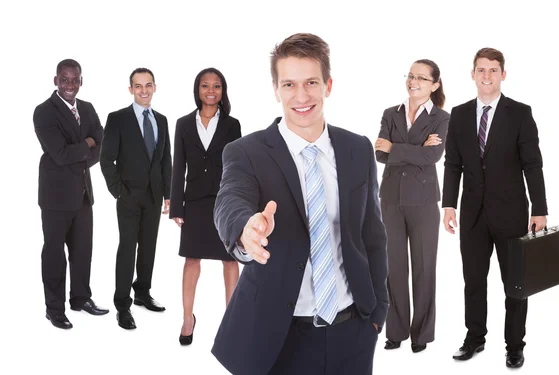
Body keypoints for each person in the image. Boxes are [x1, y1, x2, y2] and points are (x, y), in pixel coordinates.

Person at [211, 33, 388, 375]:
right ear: (276, 90)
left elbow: (373, 236)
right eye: (289, 84)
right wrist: (246, 230)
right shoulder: (246, 152)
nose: (302, 95)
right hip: (278, 336)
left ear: (328, 85)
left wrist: (377, 314)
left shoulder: (358, 148)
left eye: (311, 82)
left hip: (353, 330)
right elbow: (230, 200)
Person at [442, 48, 548, 369]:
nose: (486, 75)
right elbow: (453, 164)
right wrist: (448, 204)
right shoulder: (459, 115)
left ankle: (514, 345)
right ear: (472, 75)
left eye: (492, 70)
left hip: (512, 214)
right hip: (472, 214)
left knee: (515, 283)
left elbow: (532, 164)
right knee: (473, 281)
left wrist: (539, 209)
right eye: (481, 70)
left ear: (503, 74)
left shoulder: (520, 113)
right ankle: (474, 338)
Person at [374, 59, 449, 353]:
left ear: (434, 84)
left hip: (424, 202)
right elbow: (379, 154)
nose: (413, 81)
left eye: (420, 77)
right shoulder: (390, 113)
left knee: (424, 268)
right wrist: (414, 150)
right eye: (410, 76)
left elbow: (433, 158)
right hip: (391, 199)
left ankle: (421, 335)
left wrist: (395, 148)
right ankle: (396, 331)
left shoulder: (441, 118)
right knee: (393, 268)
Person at [33, 58, 109, 329]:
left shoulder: (87, 109)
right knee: (54, 254)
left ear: (81, 81)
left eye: (74, 79)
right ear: (56, 81)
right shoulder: (44, 112)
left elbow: (101, 144)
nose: (69, 85)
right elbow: (60, 154)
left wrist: (86, 147)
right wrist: (86, 144)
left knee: (82, 251)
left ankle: (80, 298)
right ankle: (54, 309)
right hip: (55, 198)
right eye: (64, 79)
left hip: (83, 195)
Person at [169, 67, 242, 345]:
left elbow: (238, 166)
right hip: (195, 201)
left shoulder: (232, 125)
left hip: (225, 200)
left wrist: (240, 203)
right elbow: (179, 167)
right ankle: (188, 318)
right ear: (197, 90)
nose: (211, 91)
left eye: (216, 86)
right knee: (191, 259)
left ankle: (232, 319)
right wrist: (177, 206)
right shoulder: (184, 124)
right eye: (205, 86)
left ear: (222, 91)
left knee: (230, 258)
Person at [100, 68, 172, 330]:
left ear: (155, 87)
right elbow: (106, 159)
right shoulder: (118, 118)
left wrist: (168, 194)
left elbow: (165, 159)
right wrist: (118, 190)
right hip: (128, 195)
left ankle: (142, 293)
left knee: (149, 247)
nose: (144, 90)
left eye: (148, 85)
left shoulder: (161, 120)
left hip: (154, 196)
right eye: (138, 86)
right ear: (130, 89)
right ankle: (122, 305)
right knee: (128, 248)